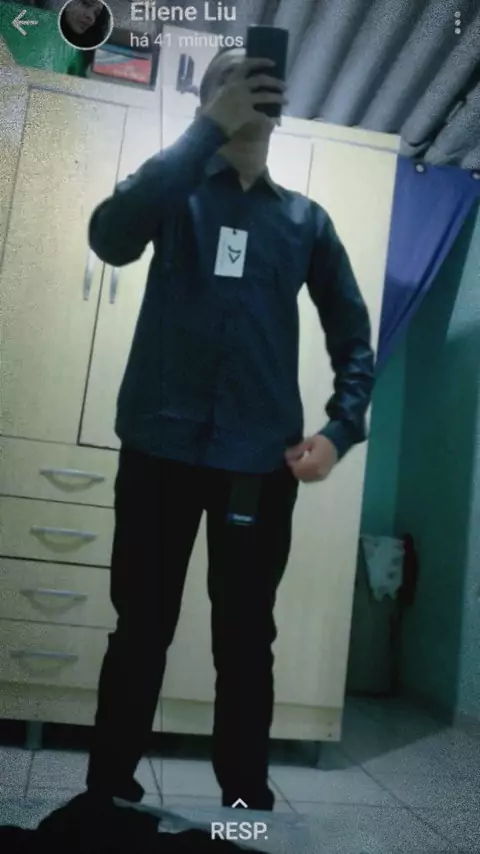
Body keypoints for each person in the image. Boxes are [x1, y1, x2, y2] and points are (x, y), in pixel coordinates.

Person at [83, 47, 375, 813]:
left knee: (245, 637)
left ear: (278, 105)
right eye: (227, 83)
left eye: (258, 80)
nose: (246, 92)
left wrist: (341, 429)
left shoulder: (306, 222)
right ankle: (108, 789)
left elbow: (353, 336)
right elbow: (111, 238)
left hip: (258, 463)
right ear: (204, 103)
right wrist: (205, 131)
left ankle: (243, 799)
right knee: (141, 626)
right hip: (158, 447)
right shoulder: (173, 194)